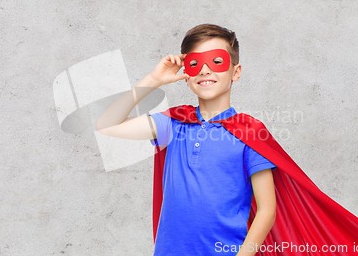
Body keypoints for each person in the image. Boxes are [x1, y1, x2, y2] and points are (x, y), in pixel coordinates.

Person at [95, 24, 276, 256]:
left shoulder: (250, 132)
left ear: (236, 72)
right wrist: (153, 80)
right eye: (195, 63)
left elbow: (267, 210)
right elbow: (107, 125)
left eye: (216, 61)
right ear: (186, 76)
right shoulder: (173, 124)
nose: (205, 70)